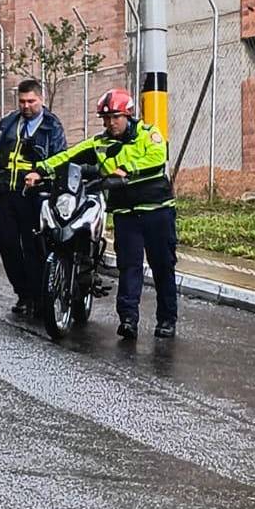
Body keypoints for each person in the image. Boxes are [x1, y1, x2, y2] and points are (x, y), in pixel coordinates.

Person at [25, 88, 177, 339]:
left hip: (156, 211)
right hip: (126, 214)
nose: (110, 123)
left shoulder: (148, 134)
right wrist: (40, 170)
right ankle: (128, 320)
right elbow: (67, 156)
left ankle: (167, 320)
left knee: (163, 266)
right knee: (129, 267)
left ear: (128, 115)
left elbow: (157, 158)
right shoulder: (99, 143)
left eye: (115, 117)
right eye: (106, 118)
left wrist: (125, 169)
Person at [0, 78, 66, 315]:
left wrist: (39, 173)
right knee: (5, 241)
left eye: (31, 101)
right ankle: (23, 293)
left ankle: (39, 298)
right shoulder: (9, 123)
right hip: (6, 193)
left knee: (33, 248)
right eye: (22, 102)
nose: (26, 106)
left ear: (41, 99)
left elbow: (59, 159)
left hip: (35, 197)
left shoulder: (52, 127)